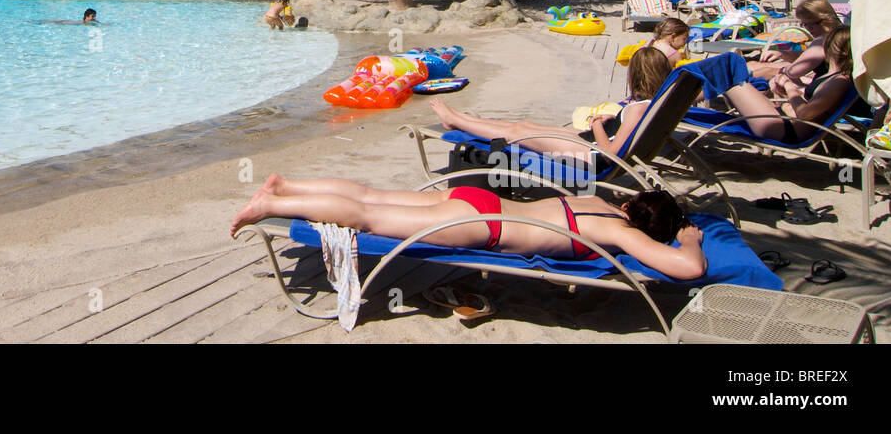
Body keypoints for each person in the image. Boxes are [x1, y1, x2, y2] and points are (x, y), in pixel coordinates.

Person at [230, 175, 705, 280]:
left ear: (630, 202)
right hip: (481, 224)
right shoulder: (622, 234)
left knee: (371, 195)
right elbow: (686, 268)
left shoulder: (598, 202)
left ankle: (286, 186)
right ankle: (272, 203)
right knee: (371, 217)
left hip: (479, 200)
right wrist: (689, 238)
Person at [430, 48, 681, 173]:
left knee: (517, 133)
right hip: (589, 143)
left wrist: (596, 124)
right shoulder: (653, 105)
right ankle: (461, 119)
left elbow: (612, 153)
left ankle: (455, 119)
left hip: (591, 155)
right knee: (526, 126)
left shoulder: (638, 109)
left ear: (635, 75)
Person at [724, 27, 865, 143]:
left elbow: (805, 114)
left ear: (830, 49)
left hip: (787, 130)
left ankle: (700, 95)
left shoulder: (839, 81)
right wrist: (784, 96)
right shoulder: (835, 76)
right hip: (785, 120)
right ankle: (700, 98)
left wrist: (790, 87)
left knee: (726, 71)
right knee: (727, 68)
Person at [747, 0, 841, 88]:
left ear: (826, 19)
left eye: (812, 23)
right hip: (828, 84)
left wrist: (781, 71)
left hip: (824, 88)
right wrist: (782, 54)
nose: (808, 28)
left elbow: (794, 71)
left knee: (769, 73)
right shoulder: (839, 33)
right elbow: (809, 57)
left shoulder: (824, 40)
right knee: (754, 65)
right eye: (804, 24)